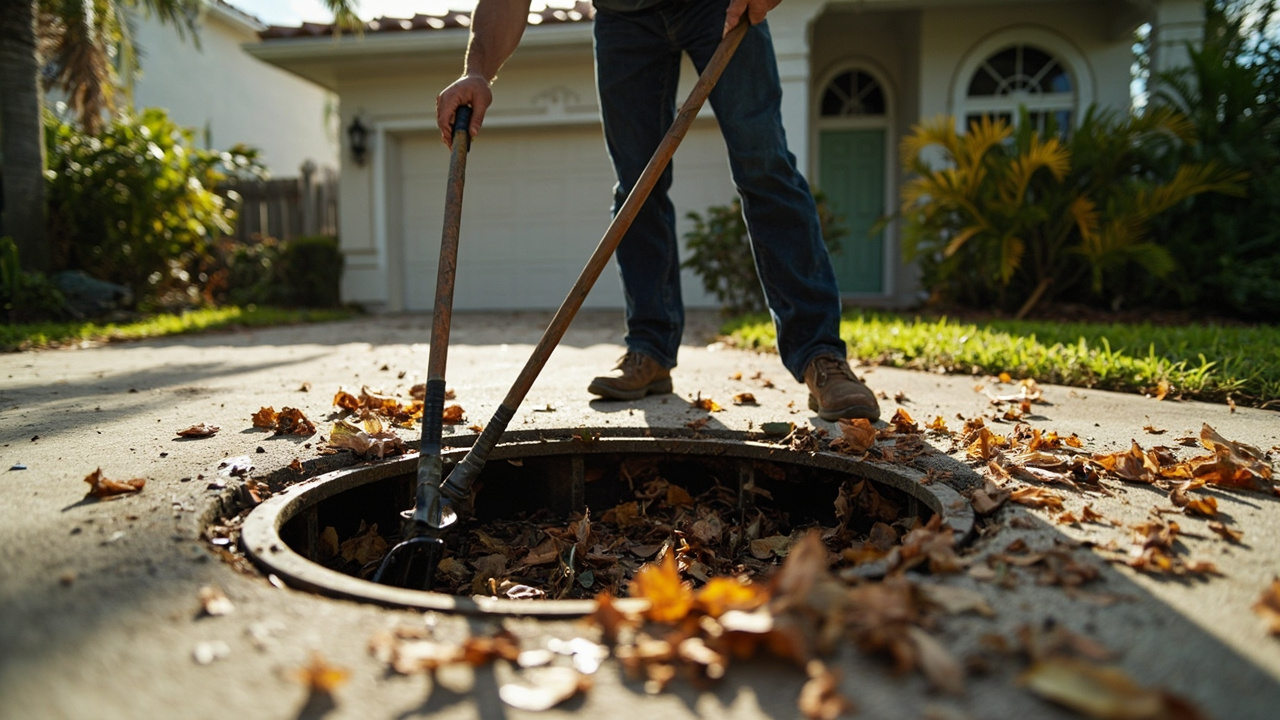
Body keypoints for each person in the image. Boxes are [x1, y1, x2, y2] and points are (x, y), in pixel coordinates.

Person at [435, 0, 880, 422]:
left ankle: (819, 354)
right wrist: (476, 72)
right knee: (637, 185)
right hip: (623, 17)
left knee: (764, 167)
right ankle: (650, 347)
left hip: (718, 7)